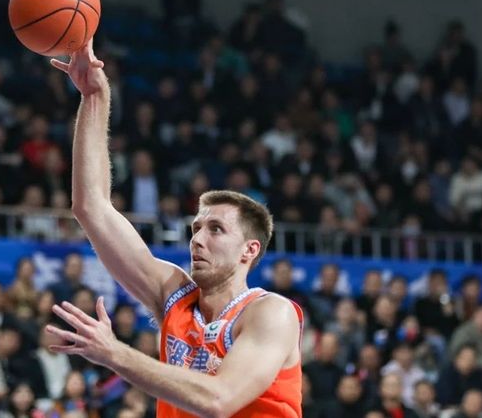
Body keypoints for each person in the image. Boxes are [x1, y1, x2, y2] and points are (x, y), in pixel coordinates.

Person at [45, 40, 303, 417]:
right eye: (196, 228)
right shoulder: (174, 295)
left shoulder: (271, 313)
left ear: (249, 250)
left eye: (216, 229)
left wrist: (114, 353)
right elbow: (91, 207)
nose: (197, 239)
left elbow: (218, 400)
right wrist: (95, 97)